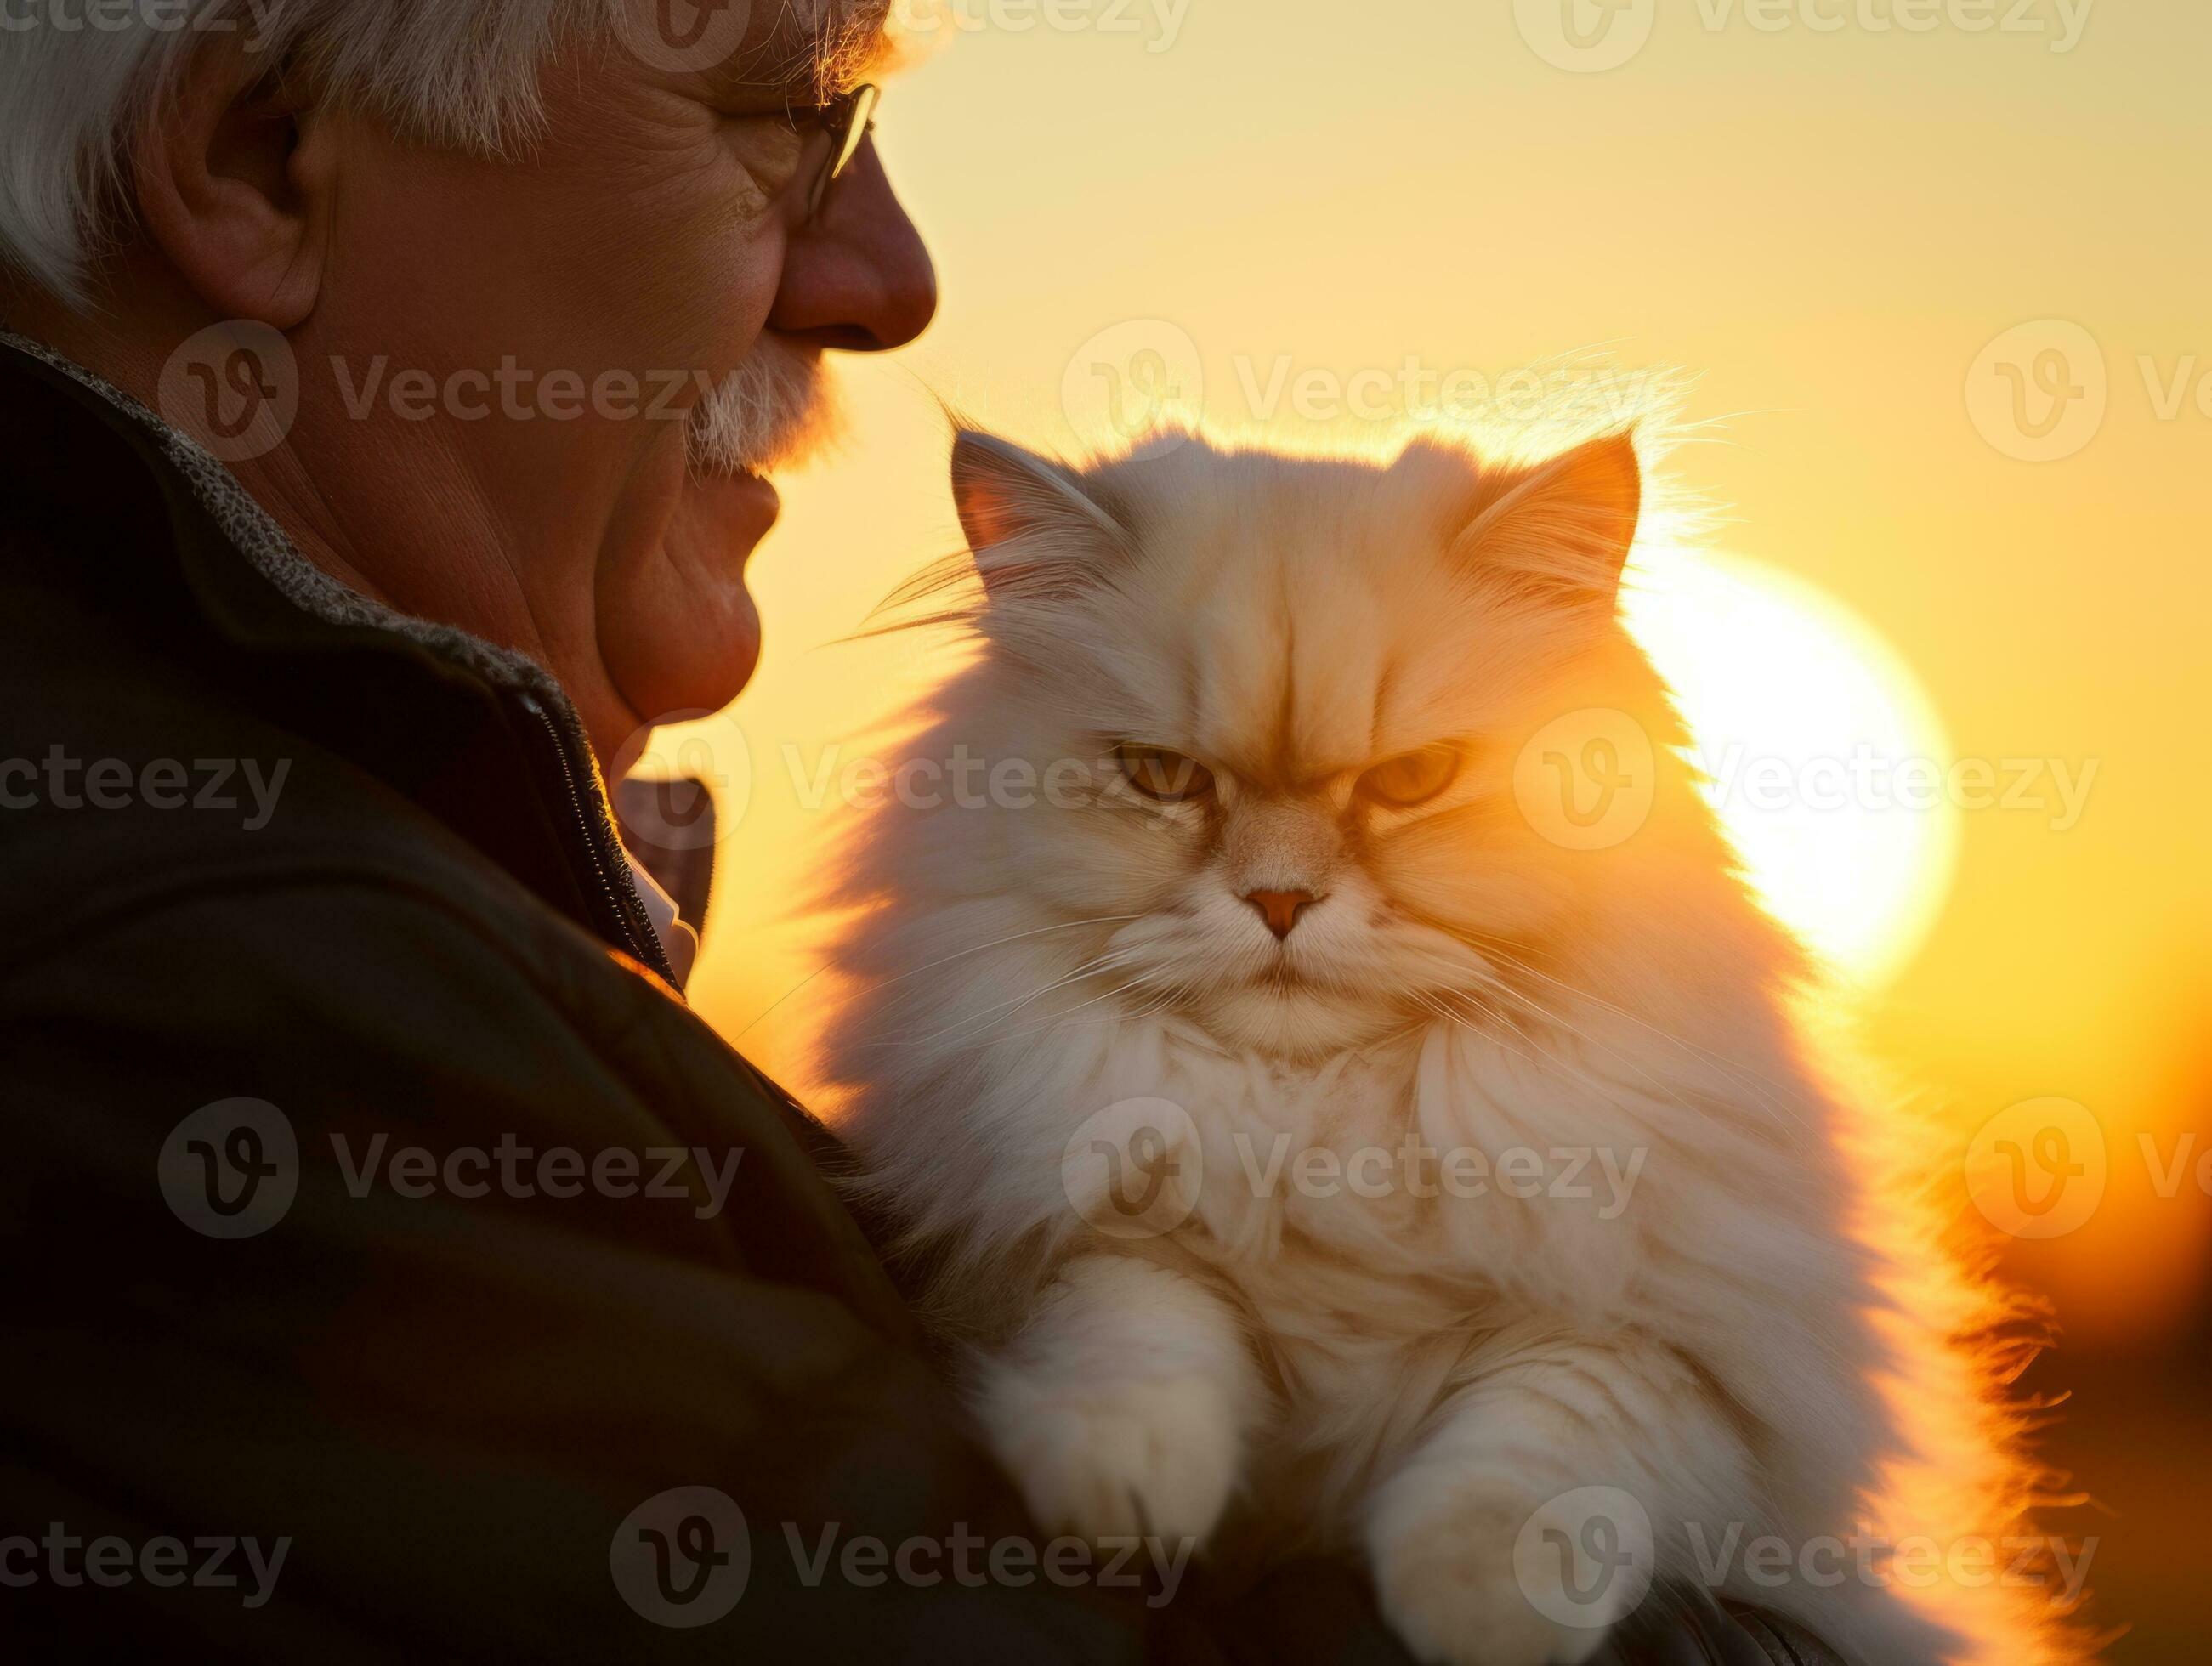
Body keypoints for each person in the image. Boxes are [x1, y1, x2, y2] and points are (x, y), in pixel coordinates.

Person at [0, 3, 1844, 1659]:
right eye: (773, 114)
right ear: (259, 158)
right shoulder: (208, 976)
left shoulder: (276, 884)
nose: (885, 276)